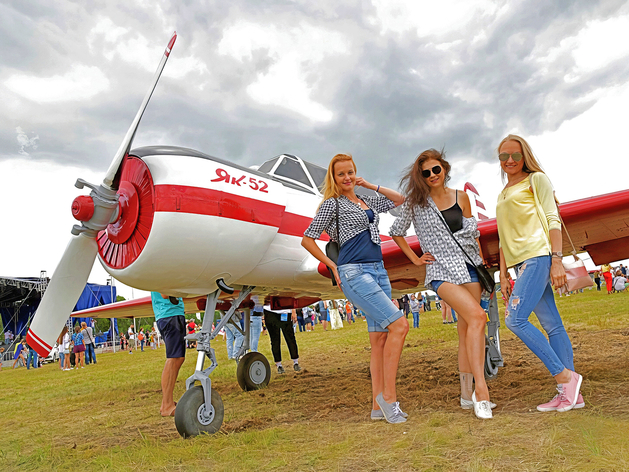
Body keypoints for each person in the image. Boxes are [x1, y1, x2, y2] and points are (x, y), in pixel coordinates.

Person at [302, 152, 409, 424]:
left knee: (379, 340)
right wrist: (333, 266)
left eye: (350, 172)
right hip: (354, 271)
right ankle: (389, 399)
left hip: (378, 270)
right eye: (341, 174)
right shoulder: (331, 204)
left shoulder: (365, 200)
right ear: (333, 178)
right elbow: (308, 239)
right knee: (399, 326)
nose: (347, 177)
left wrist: (369, 184)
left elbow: (399, 200)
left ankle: (376, 406)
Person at [390, 148, 493, 419]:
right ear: (420, 177)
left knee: (468, 330)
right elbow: (396, 232)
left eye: (436, 170)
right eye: (426, 172)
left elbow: (473, 236)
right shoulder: (415, 203)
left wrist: (482, 268)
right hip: (441, 272)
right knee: (478, 317)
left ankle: (465, 396)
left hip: (470, 268)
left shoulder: (462, 197)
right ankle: (481, 392)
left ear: (444, 169)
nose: (433, 175)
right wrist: (415, 257)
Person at [494, 134, 584, 413]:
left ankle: (566, 377)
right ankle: (572, 396)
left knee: (514, 319)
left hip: (538, 256)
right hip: (520, 264)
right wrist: (503, 272)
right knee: (552, 324)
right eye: (503, 156)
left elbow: (552, 218)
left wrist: (556, 259)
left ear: (525, 157)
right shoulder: (503, 192)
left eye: (515, 155)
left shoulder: (536, 180)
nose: (510, 161)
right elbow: (502, 237)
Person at [151, 292, 186, 417]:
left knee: (178, 358)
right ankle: (167, 405)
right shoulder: (160, 272)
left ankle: (166, 402)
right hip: (171, 314)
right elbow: (165, 292)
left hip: (168, 314)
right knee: (174, 358)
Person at [263, 306, 301, 373]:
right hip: (270, 311)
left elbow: (291, 295)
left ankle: (296, 362)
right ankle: (279, 365)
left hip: (285, 311)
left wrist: (293, 311)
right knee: (275, 340)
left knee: (290, 338)